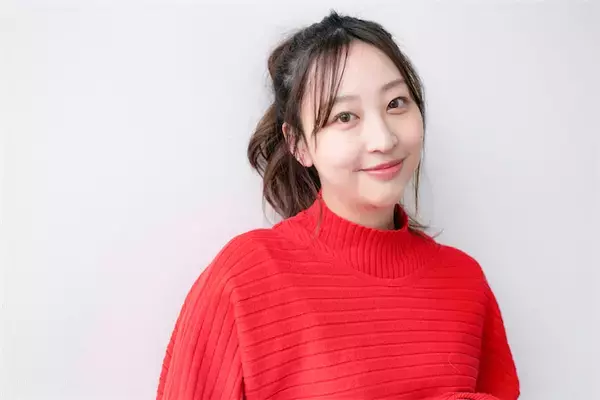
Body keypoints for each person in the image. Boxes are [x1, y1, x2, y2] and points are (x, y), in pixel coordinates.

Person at [156, 11, 520, 400]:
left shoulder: (465, 282)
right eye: (344, 116)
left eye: (396, 103)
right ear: (298, 144)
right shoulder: (244, 279)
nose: (383, 139)